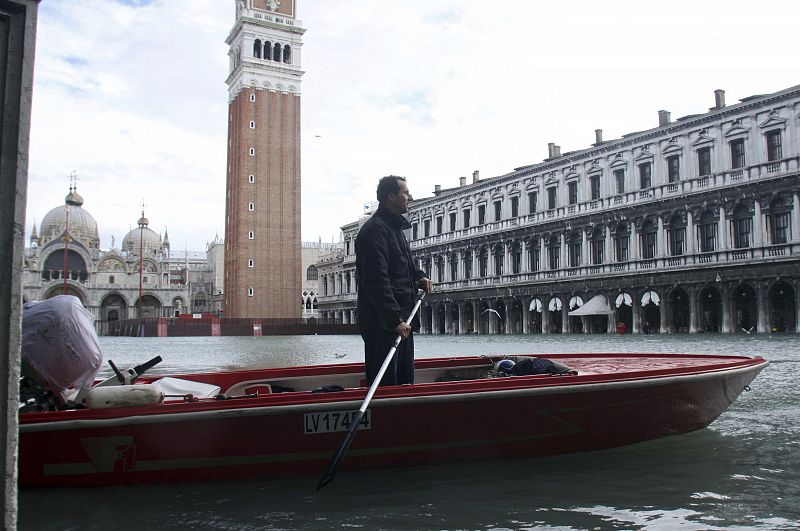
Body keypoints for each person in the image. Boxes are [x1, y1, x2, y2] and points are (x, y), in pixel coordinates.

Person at [355, 176, 432, 386]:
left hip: (402, 319)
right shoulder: (373, 232)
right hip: (383, 324)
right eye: (405, 193)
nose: (410, 197)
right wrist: (394, 319)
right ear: (391, 197)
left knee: (405, 381)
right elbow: (376, 280)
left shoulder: (396, 230)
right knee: (386, 385)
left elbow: (404, 268)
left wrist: (419, 277)